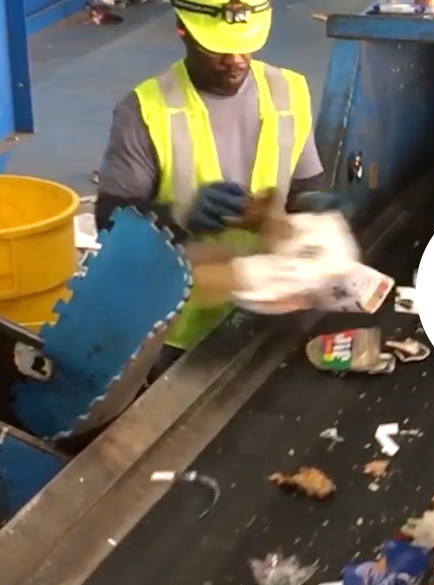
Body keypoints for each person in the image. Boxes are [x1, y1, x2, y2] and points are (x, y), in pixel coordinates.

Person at [96, 0, 339, 381]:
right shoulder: (144, 109)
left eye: (246, 44)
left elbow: (304, 187)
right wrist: (177, 217)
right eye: (218, 48)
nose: (236, 59)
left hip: (268, 315)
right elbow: (110, 224)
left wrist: (313, 209)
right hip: (178, 332)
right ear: (182, 29)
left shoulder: (289, 90)